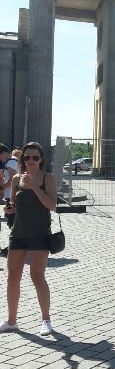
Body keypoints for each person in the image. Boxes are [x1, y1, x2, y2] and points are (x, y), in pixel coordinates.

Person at [0, 142, 57, 335]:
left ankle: (46, 320)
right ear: (22, 159)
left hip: (40, 234)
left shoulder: (47, 178)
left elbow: (51, 205)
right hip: (18, 234)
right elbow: (14, 206)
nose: (30, 160)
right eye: (26, 157)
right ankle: (11, 321)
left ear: (41, 159)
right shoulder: (16, 179)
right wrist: (9, 210)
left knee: (37, 276)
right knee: (12, 277)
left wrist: (34, 187)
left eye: (35, 157)